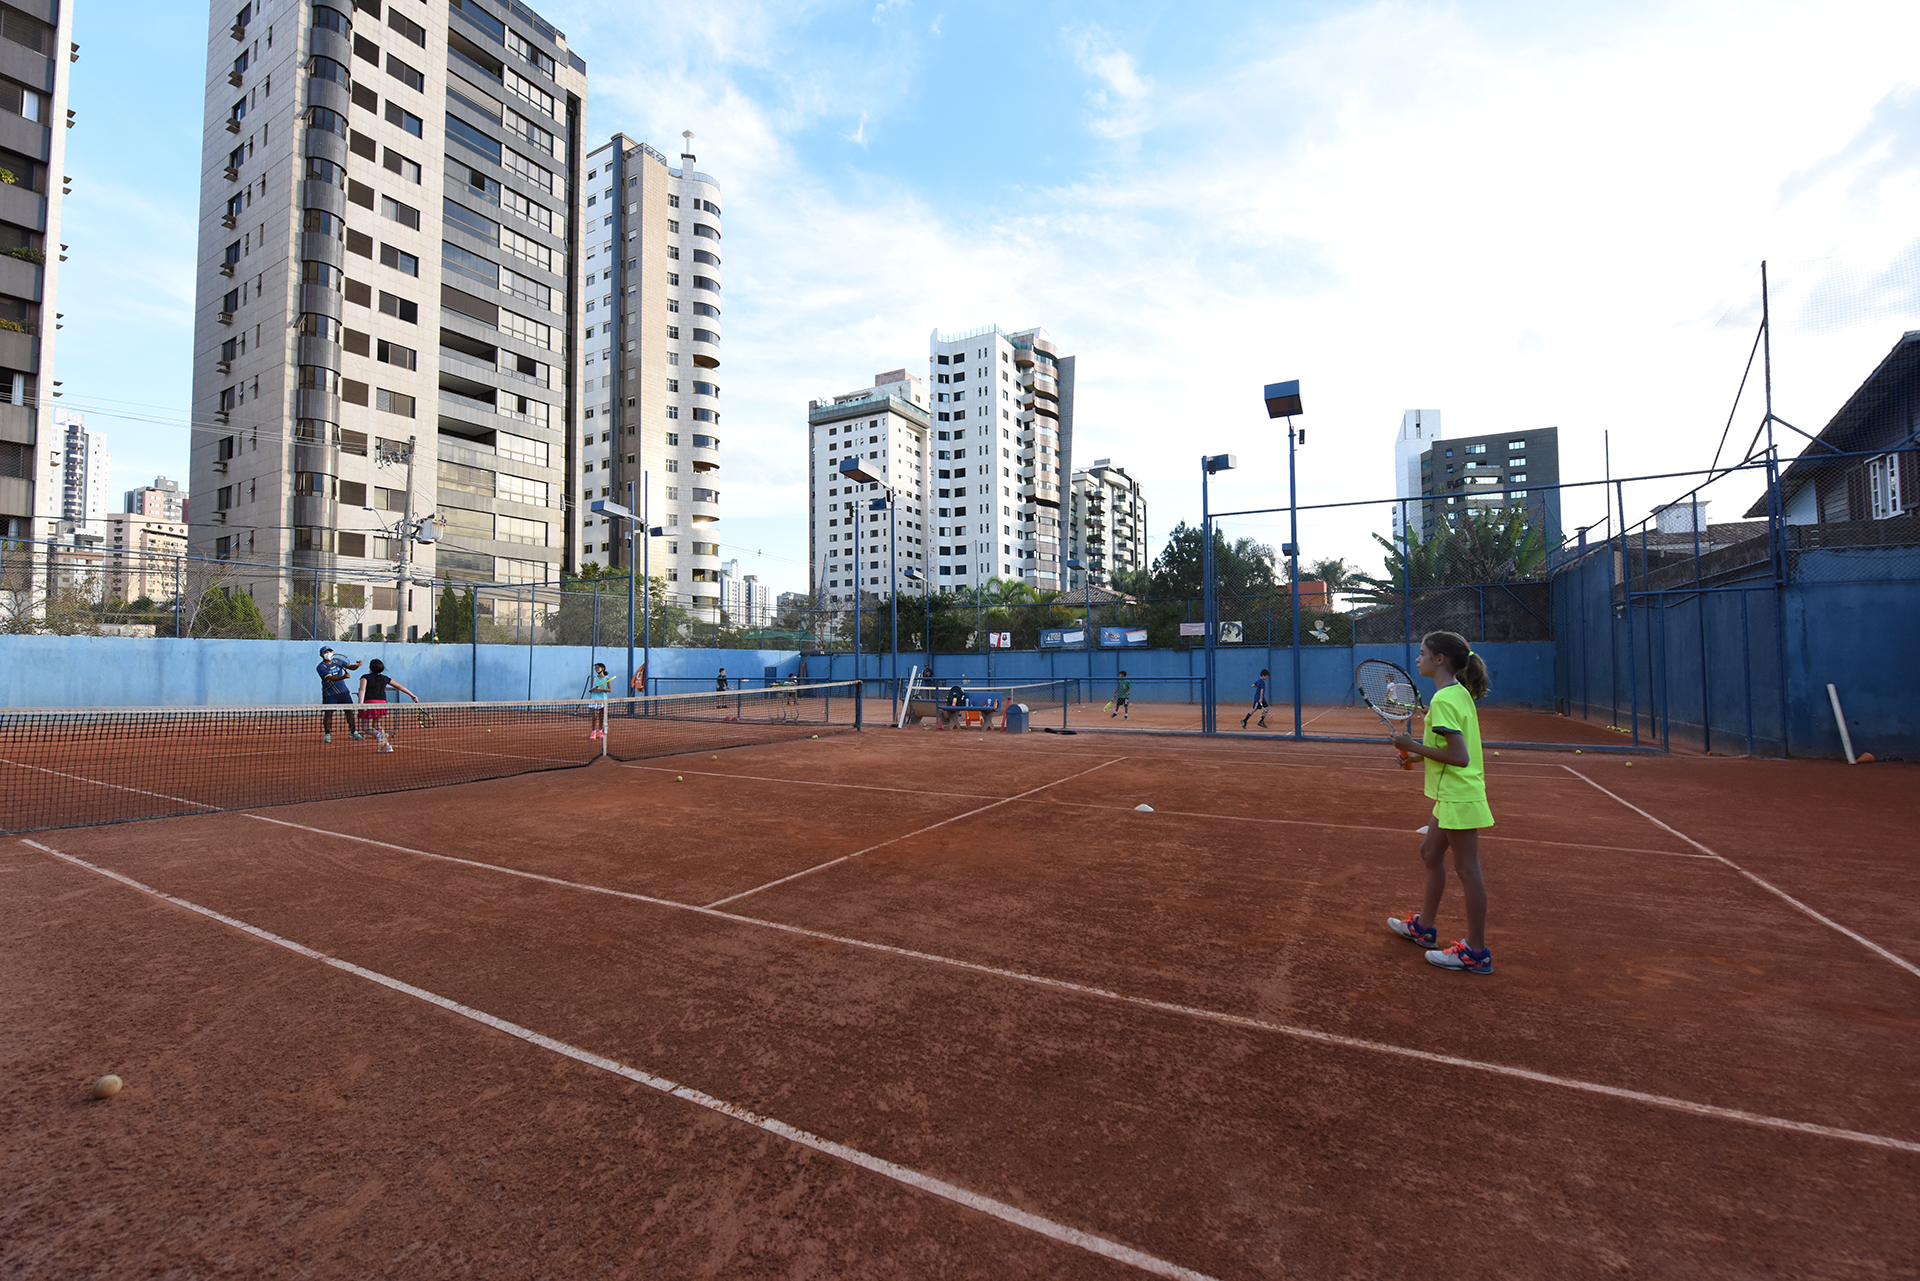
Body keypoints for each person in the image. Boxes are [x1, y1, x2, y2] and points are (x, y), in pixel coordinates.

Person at [1386, 631, 1494, 974]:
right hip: (1452, 793)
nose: (1417, 659)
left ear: (1440, 659)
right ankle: (1425, 928)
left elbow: (1459, 757)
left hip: (1459, 794)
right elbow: (1450, 751)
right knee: (1430, 853)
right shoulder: (1456, 694)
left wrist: (1412, 746)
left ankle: (1476, 951)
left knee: (1468, 870)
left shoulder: (1445, 701)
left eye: (1422, 653)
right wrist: (1415, 758)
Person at [357, 658, 419, 753]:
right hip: (382, 704)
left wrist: (361, 704)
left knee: (365, 727)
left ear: (370, 668)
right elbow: (400, 687)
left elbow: (362, 690)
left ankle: (379, 735)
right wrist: (412, 695)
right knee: (377, 725)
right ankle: (387, 746)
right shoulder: (385, 678)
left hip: (370, 703)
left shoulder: (365, 677)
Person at [316, 646, 363, 743]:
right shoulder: (320, 667)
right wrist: (343, 677)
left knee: (349, 712)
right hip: (329, 694)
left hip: (343, 692)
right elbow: (330, 678)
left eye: (329, 651)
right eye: (325, 652)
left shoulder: (338, 661)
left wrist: (357, 665)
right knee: (328, 714)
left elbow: (351, 667)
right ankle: (327, 734)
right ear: (321, 655)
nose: (328, 653)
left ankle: (353, 731)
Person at [588, 662, 613, 740]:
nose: (596, 669)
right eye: (595, 668)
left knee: (601, 716)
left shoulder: (607, 678)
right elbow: (591, 688)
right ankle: (593, 732)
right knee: (594, 716)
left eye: (598, 667)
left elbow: (609, 690)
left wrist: (600, 689)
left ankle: (600, 731)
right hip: (594, 698)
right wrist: (592, 689)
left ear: (602, 668)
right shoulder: (593, 678)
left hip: (603, 699)